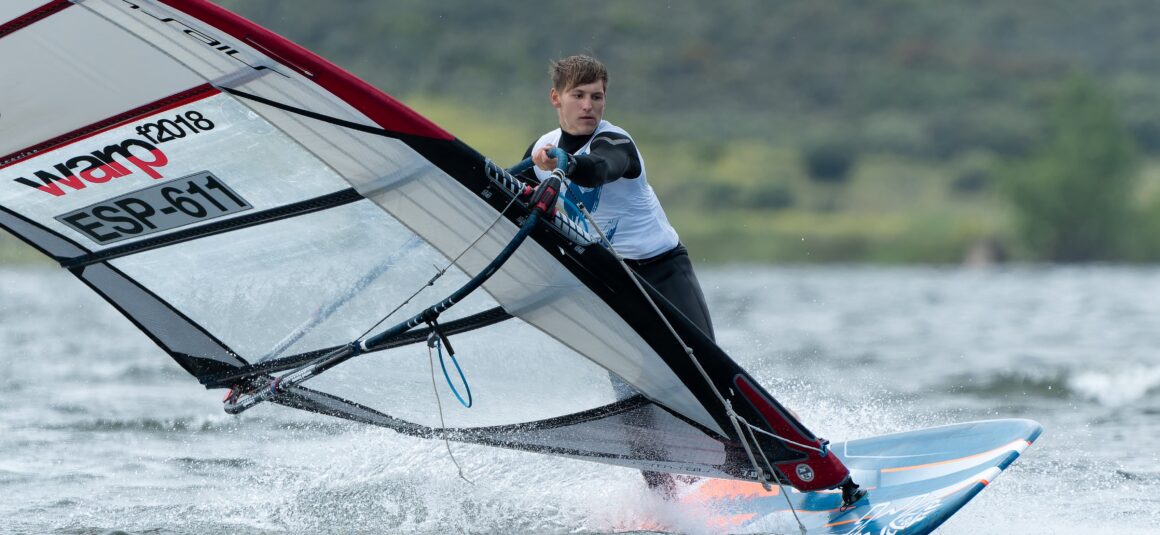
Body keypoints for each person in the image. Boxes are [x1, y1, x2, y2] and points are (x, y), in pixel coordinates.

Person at [519, 54, 715, 497]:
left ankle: (745, 461)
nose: (589, 106)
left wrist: (560, 163)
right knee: (631, 397)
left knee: (702, 370)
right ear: (557, 98)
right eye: (579, 96)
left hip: (663, 270)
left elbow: (595, 169)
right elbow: (508, 187)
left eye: (597, 97)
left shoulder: (616, 143)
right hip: (613, 281)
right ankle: (665, 501)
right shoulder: (543, 148)